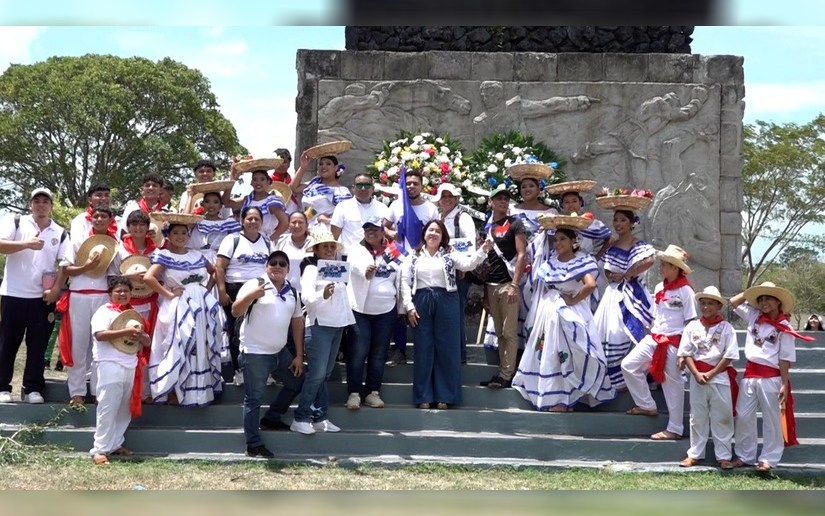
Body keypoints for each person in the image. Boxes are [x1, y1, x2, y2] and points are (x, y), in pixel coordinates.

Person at [512, 221, 615, 411]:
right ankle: (553, 396)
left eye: (563, 239)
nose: (558, 243)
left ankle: (564, 400)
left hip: (570, 312)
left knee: (568, 352)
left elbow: (590, 284)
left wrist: (574, 301)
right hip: (549, 312)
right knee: (549, 351)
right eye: (556, 240)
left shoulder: (581, 259)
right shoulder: (552, 261)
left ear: (573, 241)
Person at [401, 220, 492, 409]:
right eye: (430, 230)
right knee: (424, 347)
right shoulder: (414, 255)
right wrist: (409, 306)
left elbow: (468, 264)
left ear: (443, 236)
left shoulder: (450, 254)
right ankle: (423, 396)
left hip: (447, 299)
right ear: (424, 234)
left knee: (447, 348)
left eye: (438, 231)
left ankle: (446, 395)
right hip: (422, 300)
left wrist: (482, 250)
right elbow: (404, 281)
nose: (433, 234)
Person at [730, 281, 814, 472]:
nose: (764, 302)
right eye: (761, 299)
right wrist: (753, 291)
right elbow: (734, 302)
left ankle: (768, 458)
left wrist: (784, 383)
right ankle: (745, 455)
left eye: (769, 298)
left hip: (771, 377)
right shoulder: (753, 316)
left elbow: (785, 358)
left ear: (778, 302)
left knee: (772, 419)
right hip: (750, 374)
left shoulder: (784, 326)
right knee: (743, 415)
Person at [143, 217, 225, 406]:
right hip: (179, 305)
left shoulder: (197, 255)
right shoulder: (164, 255)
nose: (180, 237)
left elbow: (215, 271)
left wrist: (207, 288)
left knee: (199, 345)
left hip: (201, 304)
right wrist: (169, 293)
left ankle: (198, 391)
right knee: (179, 345)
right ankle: (174, 391)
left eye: (183, 233)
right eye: (176, 233)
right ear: (168, 236)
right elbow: (149, 278)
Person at [232, 250, 305, 458]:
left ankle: (272, 416)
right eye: (273, 262)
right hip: (255, 353)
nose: (277, 266)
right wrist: (251, 296)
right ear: (266, 266)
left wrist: (299, 355)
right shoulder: (254, 284)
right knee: (253, 399)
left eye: (282, 263)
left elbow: (298, 322)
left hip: (280, 352)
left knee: (297, 382)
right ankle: (253, 444)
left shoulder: (292, 292)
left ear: (288, 270)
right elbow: (236, 311)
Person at [622, 245, 697, 441]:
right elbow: (656, 316)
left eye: (664, 265)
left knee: (673, 384)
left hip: (674, 341)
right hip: (655, 337)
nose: (660, 268)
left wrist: (684, 351)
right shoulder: (659, 287)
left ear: (675, 268)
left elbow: (691, 322)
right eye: (662, 264)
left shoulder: (686, 290)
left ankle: (674, 428)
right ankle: (647, 404)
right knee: (628, 365)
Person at [0, 188, 67, 404]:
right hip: (13, 295)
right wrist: (26, 244)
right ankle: (2, 387)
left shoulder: (60, 231)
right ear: (30, 205)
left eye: (45, 201)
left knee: (38, 346)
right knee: (7, 343)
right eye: (36, 201)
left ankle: (32, 389)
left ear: (51, 206)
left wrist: (57, 288)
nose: (41, 205)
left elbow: (64, 264)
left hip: (42, 298)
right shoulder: (17, 222)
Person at [291, 232, 354, 434]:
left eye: (331, 246)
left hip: (337, 325)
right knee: (317, 374)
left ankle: (319, 416)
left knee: (324, 374)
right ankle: (301, 416)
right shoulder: (311, 269)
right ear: (316, 250)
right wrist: (322, 294)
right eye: (324, 246)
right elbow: (307, 298)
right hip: (319, 325)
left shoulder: (338, 270)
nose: (329, 250)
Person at [57, 205, 118, 406]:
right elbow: (66, 269)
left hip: (103, 297)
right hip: (79, 296)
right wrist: (87, 267)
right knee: (78, 345)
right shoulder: (77, 240)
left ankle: (98, 391)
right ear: (91, 219)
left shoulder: (116, 244)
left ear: (110, 220)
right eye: (96, 216)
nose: (99, 220)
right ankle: (77, 392)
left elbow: (117, 275)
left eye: (104, 217)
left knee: (101, 345)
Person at [89, 276, 150, 465]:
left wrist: (142, 337)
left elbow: (147, 341)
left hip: (130, 362)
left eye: (126, 291)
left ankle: (115, 444)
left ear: (131, 294)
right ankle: (100, 449)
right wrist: (126, 332)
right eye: (118, 291)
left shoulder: (133, 315)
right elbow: (100, 335)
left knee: (124, 408)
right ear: (110, 294)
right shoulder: (104, 311)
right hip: (109, 363)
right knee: (108, 406)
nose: (122, 294)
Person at [592, 209, 656, 390]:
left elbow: (649, 260)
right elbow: (601, 264)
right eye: (616, 220)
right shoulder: (612, 245)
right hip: (612, 294)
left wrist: (627, 274)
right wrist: (611, 274)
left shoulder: (637, 244)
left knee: (627, 332)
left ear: (631, 223)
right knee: (608, 333)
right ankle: (616, 380)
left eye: (622, 220)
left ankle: (634, 376)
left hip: (632, 294)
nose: (618, 224)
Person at [677, 286, 739, 469]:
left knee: (722, 417)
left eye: (710, 303)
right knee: (697, 417)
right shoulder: (692, 326)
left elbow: (729, 355)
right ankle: (695, 454)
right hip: (698, 377)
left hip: (719, 376)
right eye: (703, 303)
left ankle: (724, 456)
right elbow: (686, 352)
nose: (706, 307)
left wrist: (712, 373)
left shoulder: (726, 328)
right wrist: (696, 373)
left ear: (719, 306)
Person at [345, 217, 403, 410]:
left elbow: (403, 276)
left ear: (382, 231)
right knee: (358, 351)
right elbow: (354, 265)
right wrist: (365, 271)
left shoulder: (396, 250)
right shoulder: (355, 249)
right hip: (359, 310)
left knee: (379, 353)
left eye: (374, 228)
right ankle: (354, 393)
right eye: (367, 228)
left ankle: (372, 392)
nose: (370, 231)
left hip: (386, 310)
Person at [384, 169, 439, 366]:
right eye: (408, 183)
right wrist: (393, 234)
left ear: (422, 186)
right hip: (400, 260)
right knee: (400, 306)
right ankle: (399, 349)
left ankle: (424, 351)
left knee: (421, 305)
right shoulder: (396, 205)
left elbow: (437, 232)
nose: (411, 186)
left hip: (423, 261)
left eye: (415, 183)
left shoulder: (430, 209)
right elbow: (384, 226)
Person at [215, 206, 272, 385]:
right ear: (242, 221)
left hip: (260, 289)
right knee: (236, 331)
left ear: (262, 222)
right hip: (235, 290)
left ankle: (265, 373)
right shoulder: (232, 240)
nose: (253, 222)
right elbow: (219, 267)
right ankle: (239, 371)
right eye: (250, 218)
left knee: (262, 331)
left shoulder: (267, 242)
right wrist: (222, 291)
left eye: (257, 219)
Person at [480, 185, 527, 390]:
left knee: (509, 332)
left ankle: (507, 374)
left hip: (508, 284)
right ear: (491, 202)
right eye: (498, 199)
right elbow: (485, 261)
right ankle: (502, 372)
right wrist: (484, 294)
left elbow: (522, 254)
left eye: (506, 199)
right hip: (491, 285)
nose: (503, 202)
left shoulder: (516, 224)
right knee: (499, 332)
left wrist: (515, 285)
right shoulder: (487, 228)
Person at [435, 183, 477, 364]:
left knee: (456, 312)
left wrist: (462, 268)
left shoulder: (463, 217)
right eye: (443, 196)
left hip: (458, 272)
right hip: (440, 272)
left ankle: (460, 354)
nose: (446, 199)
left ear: (457, 198)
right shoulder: (439, 217)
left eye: (450, 196)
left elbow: (471, 245)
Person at [331, 173, 389, 259]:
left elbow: (387, 235)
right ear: (353, 188)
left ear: (373, 188)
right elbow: (333, 237)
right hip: (348, 258)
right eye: (359, 185)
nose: (363, 188)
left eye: (367, 185)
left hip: (376, 257)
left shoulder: (383, 208)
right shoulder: (342, 207)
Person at [291, 152, 352, 230]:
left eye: (328, 164)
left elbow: (346, 216)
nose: (324, 166)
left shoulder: (342, 191)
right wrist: (303, 167)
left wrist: (327, 220)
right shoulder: (313, 183)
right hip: (306, 228)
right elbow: (294, 188)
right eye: (321, 164)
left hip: (325, 231)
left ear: (336, 168)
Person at [225, 167, 289, 241]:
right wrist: (232, 179)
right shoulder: (247, 199)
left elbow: (285, 223)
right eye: (255, 179)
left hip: (264, 240)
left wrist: (269, 240)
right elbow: (226, 203)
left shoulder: (272, 201)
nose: (258, 183)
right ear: (251, 182)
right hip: (247, 240)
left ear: (268, 182)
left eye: (262, 179)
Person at [189, 190, 242, 265]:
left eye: (216, 202)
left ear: (221, 206)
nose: (211, 205)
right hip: (196, 262)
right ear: (203, 204)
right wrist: (190, 196)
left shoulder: (229, 223)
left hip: (220, 263)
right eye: (207, 201)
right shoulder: (196, 221)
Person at [275, 211, 314, 293]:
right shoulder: (282, 242)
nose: (297, 226)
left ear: (307, 225)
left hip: (310, 292)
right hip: (287, 292)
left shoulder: (315, 243)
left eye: (300, 222)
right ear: (288, 225)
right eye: (293, 222)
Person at [119, 173, 167, 237]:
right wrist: (143, 235)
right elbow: (123, 235)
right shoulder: (132, 208)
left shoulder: (167, 212)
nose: (150, 188)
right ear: (142, 188)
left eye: (154, 185)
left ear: (160, 189)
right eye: (147, 185)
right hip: (135, 246)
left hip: (161, 247)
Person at [270, 149, 301, 215]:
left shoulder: (294, 182)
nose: (281, 165)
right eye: (278, 162)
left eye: (284, 162)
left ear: (289, 163)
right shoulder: (267, 182)